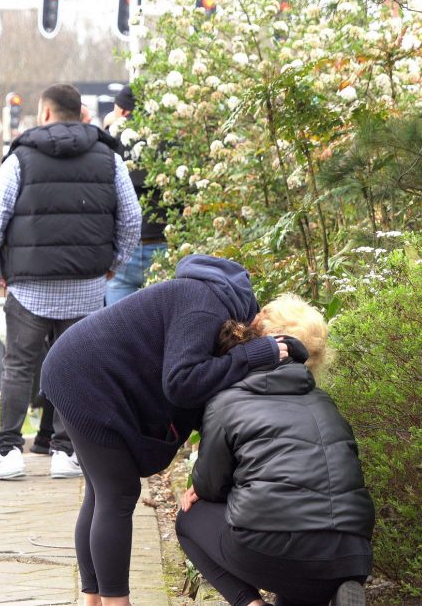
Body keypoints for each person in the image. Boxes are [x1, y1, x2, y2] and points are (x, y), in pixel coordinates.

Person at [40, 254, 300, 604]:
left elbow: (203, 407)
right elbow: (182, 383)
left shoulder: (210, 306)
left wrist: (204, 475)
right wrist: (253, 356)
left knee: (103, 493)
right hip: (83, 376)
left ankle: (93, 599)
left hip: (76, 369)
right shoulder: (204, 307)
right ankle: (117, 602)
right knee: (118, 494)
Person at [0, 83, 142, 481]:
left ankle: (8, 451)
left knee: (17, 367)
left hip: (29, 286)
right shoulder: (109, 158)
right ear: (81, 114)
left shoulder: (20, 159)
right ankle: (67, 453)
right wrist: (112, 263)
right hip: (86, 285)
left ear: (45, 114)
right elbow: (131, 219)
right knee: (78, 367)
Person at [176, 294, 373, 606]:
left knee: (189, 518)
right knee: (298, 569)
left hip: (272, 548)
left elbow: (211, 487)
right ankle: (337, 588)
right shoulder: (326, 405)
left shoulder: (228, 401)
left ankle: (251, 604)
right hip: (353, 552)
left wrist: (200, 489)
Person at [105, 84, 168, 305]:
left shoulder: (109, 141)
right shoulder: (166, 138)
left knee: (117, 330)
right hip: (162, 246)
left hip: (123, 251)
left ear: (121, 111)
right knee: (158, 328)